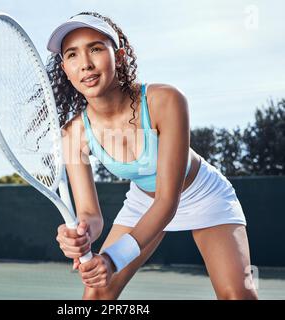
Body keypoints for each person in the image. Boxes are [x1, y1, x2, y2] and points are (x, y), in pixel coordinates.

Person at [46, 11, 258, 300]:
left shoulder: (165, 100)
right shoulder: (73, 134)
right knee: (96, 295)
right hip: (142, 203)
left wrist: (112, 259)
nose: (85, 64)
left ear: (118, 56)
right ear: (64, 68)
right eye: (72, 55)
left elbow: (168, 201)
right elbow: (90, 214)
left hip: (203, 194)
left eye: (95, 48)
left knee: (237, 295)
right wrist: (82, 233)